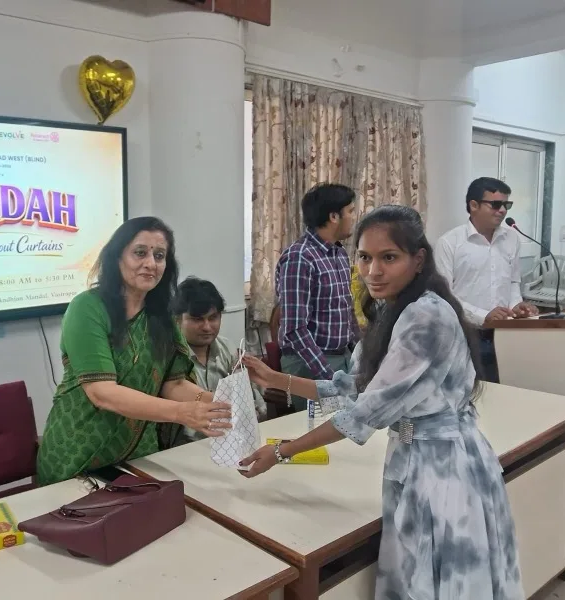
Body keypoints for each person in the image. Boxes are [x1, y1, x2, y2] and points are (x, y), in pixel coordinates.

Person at [240, 205, 523, 599]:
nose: (373, 271)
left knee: (439, 582)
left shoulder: (426, 316)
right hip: (414, 457)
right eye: (364, 257)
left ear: (417, 260)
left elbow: (365, 412)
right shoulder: (393, 309)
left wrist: (281, 452)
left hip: (444, 469)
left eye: (388, 258)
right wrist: (277, 379)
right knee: (416, 577)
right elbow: (353, 387)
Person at [36, 217, 232, 485]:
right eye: (140, 253)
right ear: (117, 257)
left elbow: (172, 384)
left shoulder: (161, 315)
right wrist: (182, 412)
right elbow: (102, 392)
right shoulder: (87, 308)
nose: (151, 263)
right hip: (78, 451)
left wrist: (214, 403)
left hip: (137, 455)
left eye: (159, 256)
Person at [435, 177, 539, 382]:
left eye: (506, 205)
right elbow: (444, 296)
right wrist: (484, 316)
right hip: (466, 335)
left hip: (506, 333)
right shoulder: (449, 243)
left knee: (506, 387)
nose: (502, 211)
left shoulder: (511, 239)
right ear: (474, 205)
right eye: (496, 204)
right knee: (472, 390)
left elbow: (513, 283)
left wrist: (516, 306)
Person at [275, 183, 359, 410]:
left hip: (342, 358)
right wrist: (328, 375)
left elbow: (346, 309)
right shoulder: (299, 258)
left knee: (349, 423)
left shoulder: (339, 254)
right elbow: (294, 329)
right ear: (334, 216)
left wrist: (361, 352)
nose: (354, 217)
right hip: (309, 363)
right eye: (350, 211)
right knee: (320, 427)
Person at [173, 277, 266, 440]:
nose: (207, 327)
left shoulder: (228, 349)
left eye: (213, 318)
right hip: (185, 445)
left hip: (231, 441)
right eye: (197, 319)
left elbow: (255, 405)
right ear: (177, 319)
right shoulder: (168, 356)